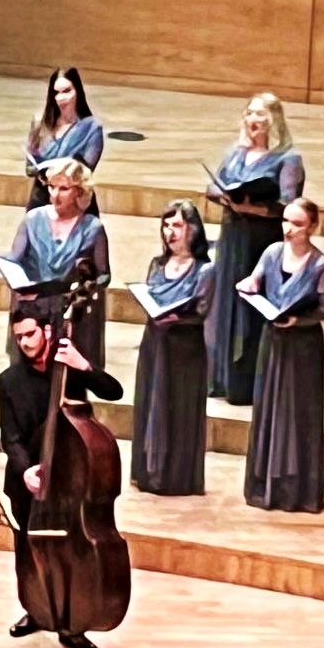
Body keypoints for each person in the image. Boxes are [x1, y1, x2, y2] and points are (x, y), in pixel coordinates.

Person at [0, 307, 124, 648]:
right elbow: (11, 438)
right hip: (28, 482)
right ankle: (37, 609)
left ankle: (73, 623)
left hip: (72, 483)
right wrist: (26, 470)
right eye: (19, 337)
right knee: (29, 549)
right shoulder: (8, 381)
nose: (24, 342)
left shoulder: (70, 369)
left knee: (74, 549)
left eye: (30, 334)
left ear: (47, 331)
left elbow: (114, 391)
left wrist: (84, 366)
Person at [235, 197, 324, 512]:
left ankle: (296, 489)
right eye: (286, 221)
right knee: (270, 406)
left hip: (303, 347)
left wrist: (298, 320)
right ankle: (265, 482)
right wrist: (249, 284)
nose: (289, 229)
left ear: (312, 227)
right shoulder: (272, 252)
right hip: (274, 340)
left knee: (297, 411)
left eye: (298, 224)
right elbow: (256, 278)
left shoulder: (320, 265)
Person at [205, 92, 301, 405]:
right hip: (233, 238)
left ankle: (248, 383)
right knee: (226, 303)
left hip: (262, 241)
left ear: (273, 120)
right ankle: (222, 377)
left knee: (252, 308)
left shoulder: (288, 159)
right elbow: (212, 186)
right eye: (249, 113)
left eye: (260, 114)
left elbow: (288, 204)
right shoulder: (235, 153)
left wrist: (252, 208)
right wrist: (229, 200)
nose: (252, 120)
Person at [129, 201, 211, 496]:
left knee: (178, 409)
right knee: (151, 403)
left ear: (193, 229)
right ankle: (147, 472)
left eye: (177, 226)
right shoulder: (157, 264)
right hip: (155, 344)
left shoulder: (204, 270)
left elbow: (202, 311)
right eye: (166, 225)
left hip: (184, 350)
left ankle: (175, 477)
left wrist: (176, 316)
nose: (169, 232)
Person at [9, 161, 112, 369]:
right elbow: (14, 261)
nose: (55, 194)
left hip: (69, 316)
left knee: (65, 382)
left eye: (63, 188)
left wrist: (86, 285)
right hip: (34, 312)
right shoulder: (32, 220)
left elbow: (103, 275)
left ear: (80, 191)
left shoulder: (92, 228)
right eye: (51, 187)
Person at [24, 65, 105, 182]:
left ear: (77, 91)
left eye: (67, 91)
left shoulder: (92, 128)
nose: (61, 97)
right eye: (56, 93)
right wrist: (47, 173)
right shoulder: (39, 122)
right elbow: (29, 169)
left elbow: (86, 171)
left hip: (73, 194)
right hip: (42, 193)